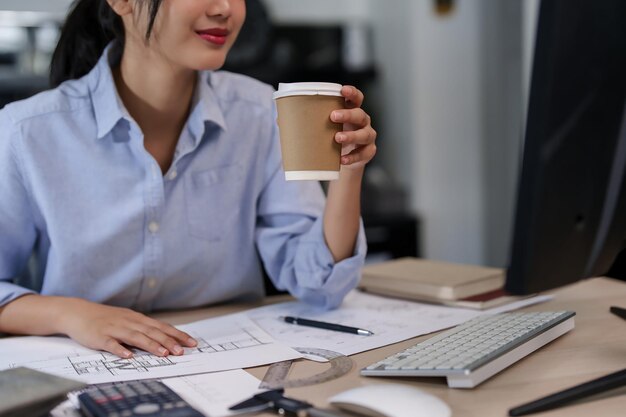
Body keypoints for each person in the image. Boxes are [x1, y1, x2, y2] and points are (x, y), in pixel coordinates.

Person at [0, 0, 376, 359]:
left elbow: (318, 284)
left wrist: (348, 172)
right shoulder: (27, 131)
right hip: (84, 368)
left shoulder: (261, 114)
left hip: (223, 362)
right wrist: (72, 315)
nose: (223, 9)